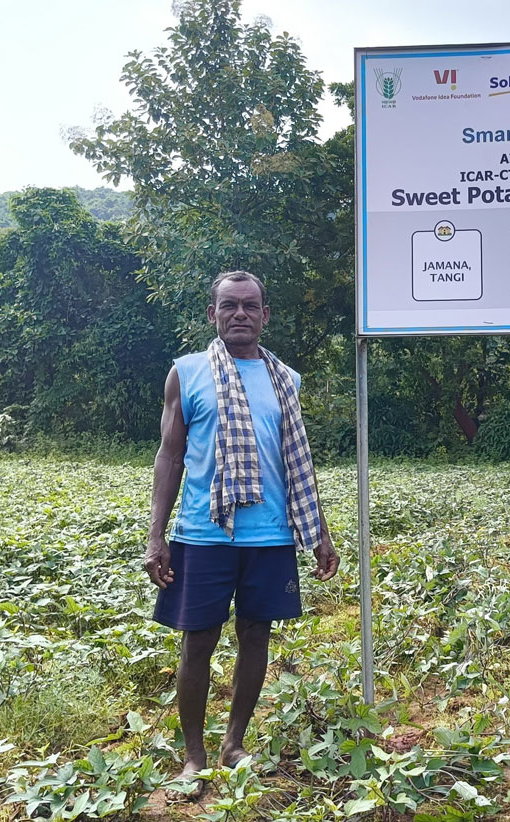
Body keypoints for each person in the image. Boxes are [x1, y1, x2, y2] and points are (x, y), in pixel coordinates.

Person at [142, 270, 339, 799]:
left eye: (250, 306)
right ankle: (193, 756)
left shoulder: (286, 380)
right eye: (228, 306)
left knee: (256, 636)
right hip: (203, 535)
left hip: (270, 535)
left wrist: (317, 529)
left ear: (264, 315)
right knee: (198, 640)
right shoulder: (186, 373)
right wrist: (156, 536)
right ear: (212, 314)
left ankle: (233, 744)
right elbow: (170, 455)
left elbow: (297, 462)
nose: (240, 315)